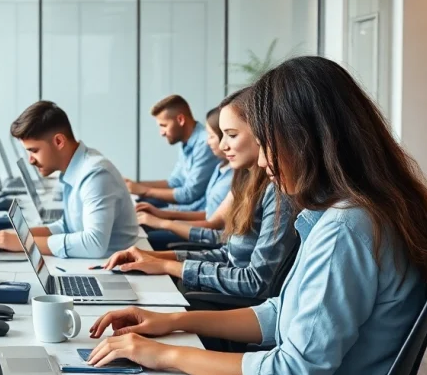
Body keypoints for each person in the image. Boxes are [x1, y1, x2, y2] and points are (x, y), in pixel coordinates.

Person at [86, 57, 427, 375]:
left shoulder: (346, 230)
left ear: (306, 140)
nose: (260, 161)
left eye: (267, 144)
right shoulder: (361, 213)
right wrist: (174, 322)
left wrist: (164, 354)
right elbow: (281, 313)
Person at [101, 90, 297, 298]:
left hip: (233, 302)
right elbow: (226, 253)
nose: (222, 145)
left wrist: (167, 263)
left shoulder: (277, 194)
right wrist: (154, 258)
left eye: (231, 135)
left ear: (261, 136)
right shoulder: (243, 181)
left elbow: (254, 282)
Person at [0, 101, 139, 259]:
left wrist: (25, 242)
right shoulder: (76, 168)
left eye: (34, 151)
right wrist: (19, 235)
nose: (30, 160)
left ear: (59, 141)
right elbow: (68, 226)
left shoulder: (95, 174)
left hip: (119, 266)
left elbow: (94, 244)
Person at [136, 105, 233, 249]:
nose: (207, 141)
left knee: (144, 239)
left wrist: (163, 220)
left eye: (211, 136)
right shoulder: (221, 168)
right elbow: (209, 214)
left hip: (210, 240)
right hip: (204, 230)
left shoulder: (237, 176)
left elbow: (212, 223)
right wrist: (160, 214)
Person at [124, 95, 219, 210]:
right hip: (179, 210)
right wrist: (133, 185)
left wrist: (145, 190)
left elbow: (190, 194)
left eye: (164, 126)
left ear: (180, 120)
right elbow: (175, 182)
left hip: (192, 214)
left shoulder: (205, 143)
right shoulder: (186, 142)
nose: (161, 133)